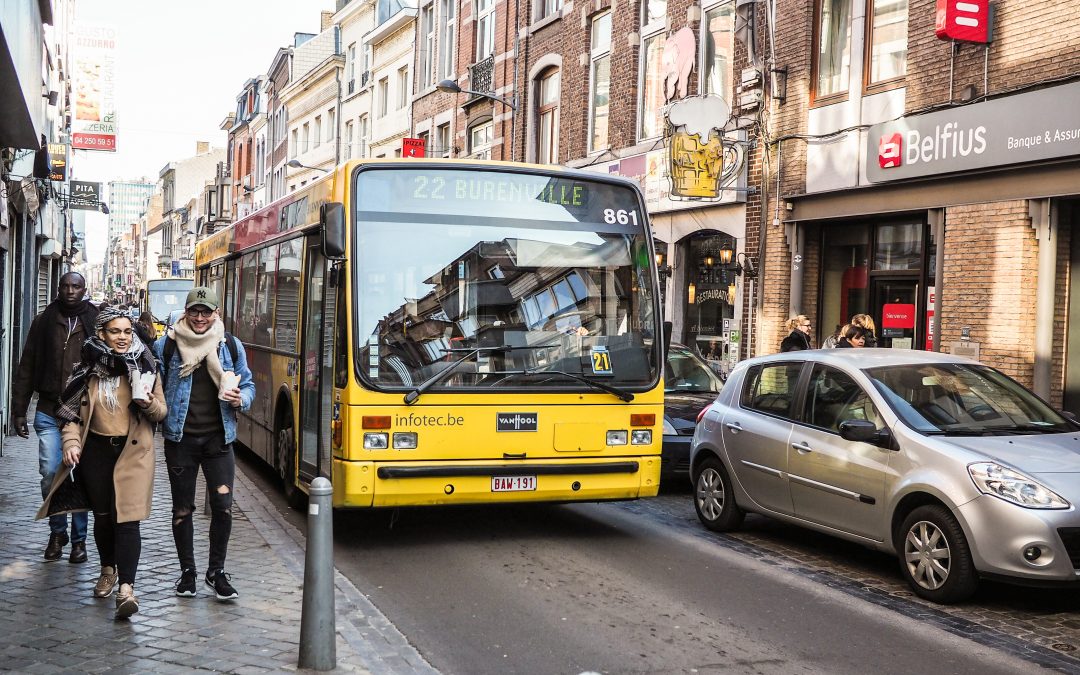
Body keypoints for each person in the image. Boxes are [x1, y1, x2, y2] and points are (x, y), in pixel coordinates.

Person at [39, 307, 166, 618]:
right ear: (101, 334)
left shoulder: (146, 365)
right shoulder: (86, 368)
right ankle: (108, 568)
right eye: (115, 332)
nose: (122, 338)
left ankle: (127, 588)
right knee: (104, 517)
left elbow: (162, 412)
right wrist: (70, 444)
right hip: (95, 452)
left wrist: (148, 403)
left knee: (128, 519)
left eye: (126, 332)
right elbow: (69, 415)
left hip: (133, 453)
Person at [155, 287, 255, 601]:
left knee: (223, 508)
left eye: (206, 312)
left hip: (219, 440)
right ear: (186, 312)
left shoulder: (231, 347)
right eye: (194, 311)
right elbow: (150, 384)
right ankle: (188, 573)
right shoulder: (166, 347)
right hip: (180, 440)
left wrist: (242, 399)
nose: (200, 318)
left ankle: (216, 572)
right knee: (182, 509)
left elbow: (248, 384)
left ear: (215, 314)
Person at [11, 272, 97, 563]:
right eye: (65, 286)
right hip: (49, 410)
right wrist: (19, 410)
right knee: (51, 472)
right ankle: (57, 530)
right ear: (58, 289)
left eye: (76, 286)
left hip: (84, 414)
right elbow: (27, 365)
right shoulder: (44, 321)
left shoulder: (95, 322)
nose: (70, 291)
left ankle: (79, 540)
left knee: (80, 475)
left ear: (84, 290)